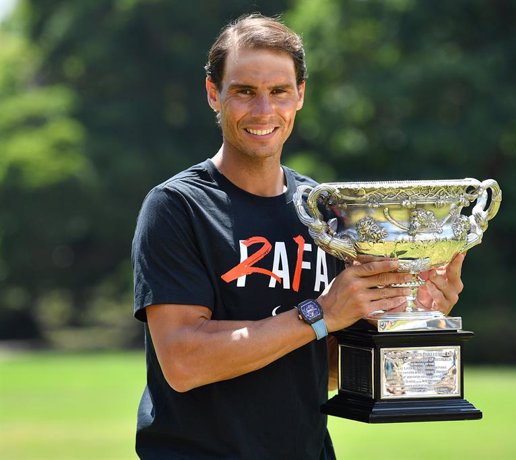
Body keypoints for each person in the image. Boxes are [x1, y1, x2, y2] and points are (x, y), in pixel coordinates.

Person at [131, 13, 466, 460]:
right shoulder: (177, 206)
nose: (264, 111)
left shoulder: (324, 212)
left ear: (300, 95)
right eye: (245, 91)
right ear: (214, 94)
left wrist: (407, 321)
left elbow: (323, 370)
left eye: (279, 92)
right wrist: (320, 313)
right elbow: (184, 362)